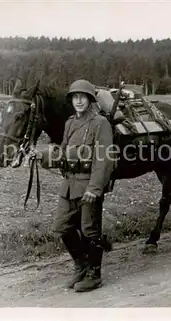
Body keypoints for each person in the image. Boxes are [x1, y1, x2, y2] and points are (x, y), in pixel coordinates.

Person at [42, 79, 114, 292]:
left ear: (91, 99)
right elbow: (63, 152)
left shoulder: (100, 123)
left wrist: (95, 188)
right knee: (61, 228)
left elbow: (104, 159)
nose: (79, 101)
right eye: (75, 97)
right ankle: (81, 265)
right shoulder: (70, 123)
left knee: (89, 230)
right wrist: (45, 157)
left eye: (83, 97)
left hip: (88, 185)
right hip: (69, 184)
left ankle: (94, 274)